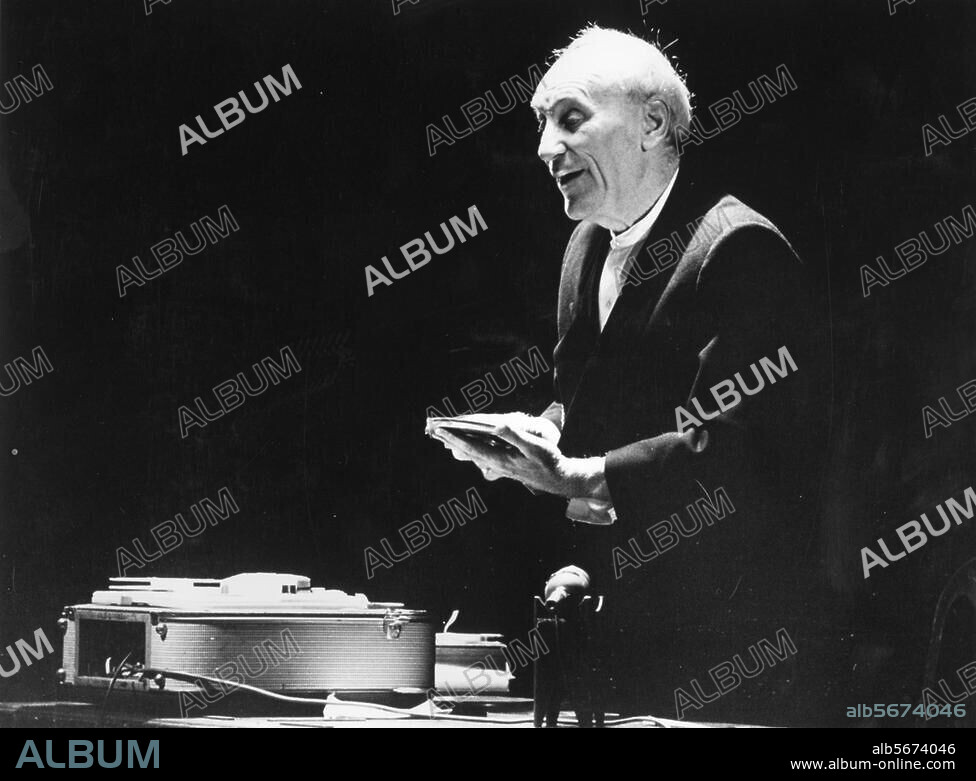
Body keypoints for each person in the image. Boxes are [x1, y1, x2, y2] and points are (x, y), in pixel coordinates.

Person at [432, 25, 833, 725]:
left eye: (571, 118)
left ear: (651, 123)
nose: (544, 148)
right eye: (540, 124)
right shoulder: (584, 246)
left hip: (729, 661)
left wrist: (575, 475)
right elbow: (585, 405)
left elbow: (732, 452)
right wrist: (534, 439)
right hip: (618, 650)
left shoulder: (737, 248)